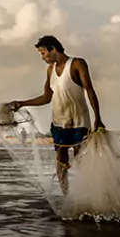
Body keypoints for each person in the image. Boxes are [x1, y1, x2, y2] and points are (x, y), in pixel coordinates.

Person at [8, 35, 105, 194]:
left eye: (43, 53)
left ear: (53, 49)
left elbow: (89, 90)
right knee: (61, 158)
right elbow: (46, 97)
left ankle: (85, 193)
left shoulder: (77, 64)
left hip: (79, 122)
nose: (42, 58)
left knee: (80, 158)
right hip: (59, 122)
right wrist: (22, 103)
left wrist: (98, 118)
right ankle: (66, 195)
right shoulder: (50, 70)